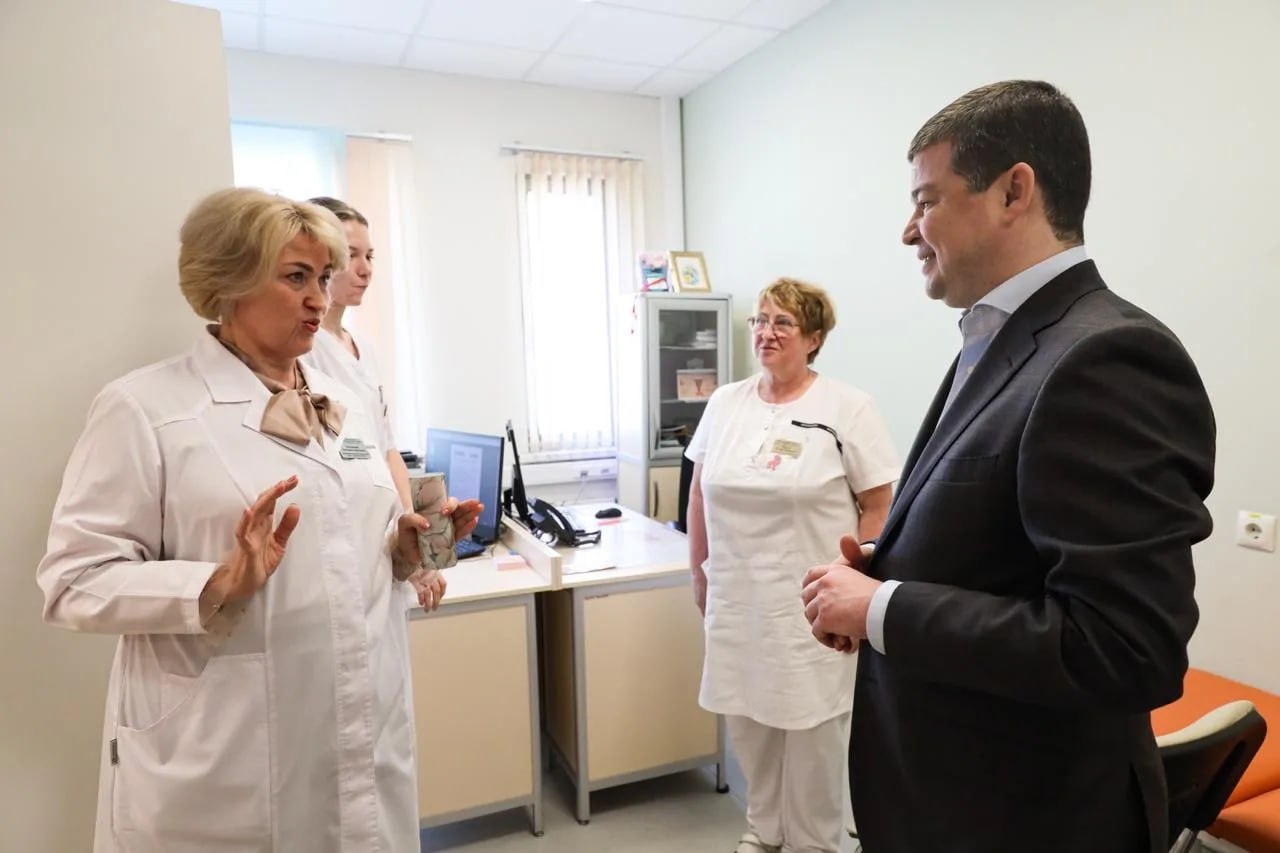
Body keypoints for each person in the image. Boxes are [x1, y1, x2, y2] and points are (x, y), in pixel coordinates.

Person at [801, 80, 1216, 853]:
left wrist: (884, 606)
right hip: (949, 801)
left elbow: (1123, 648)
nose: (908, 230)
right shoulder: (996, 339)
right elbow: (1006, 547)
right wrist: (888, 568)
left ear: (1012, 192)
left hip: (1027, 818)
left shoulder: (1107, 357)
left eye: (926, 200)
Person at [36, 187, 481, 852]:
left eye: (323, 278)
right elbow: (73, 581)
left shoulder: (346, 404)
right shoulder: (147, 408)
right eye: (296, 277)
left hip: (361, 725)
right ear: (230, 281)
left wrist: (400, 551)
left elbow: (345, 540)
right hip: (227, 749)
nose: (318, 299)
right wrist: (216, 583)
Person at [686, 277, 899, 853]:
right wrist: (698, 573)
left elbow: (878, 503)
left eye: (782, 322)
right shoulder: (725, 403)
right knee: (747, 717)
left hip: (813, 602)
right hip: (736, 595)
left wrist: (859, 586)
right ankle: (765, 829)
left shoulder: (847, 407)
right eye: (760, 320)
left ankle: (815, 842)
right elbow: (700, 494)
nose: (767, 332)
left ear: (814, 337)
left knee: (812, 729)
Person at [303, 196, 445, 609]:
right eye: (352, 255)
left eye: (370, 256)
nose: (365, 269)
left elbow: (386, 449)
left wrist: (412, 532)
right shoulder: (306, 353)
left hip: (388, 538)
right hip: (351, 541)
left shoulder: (362, 346)